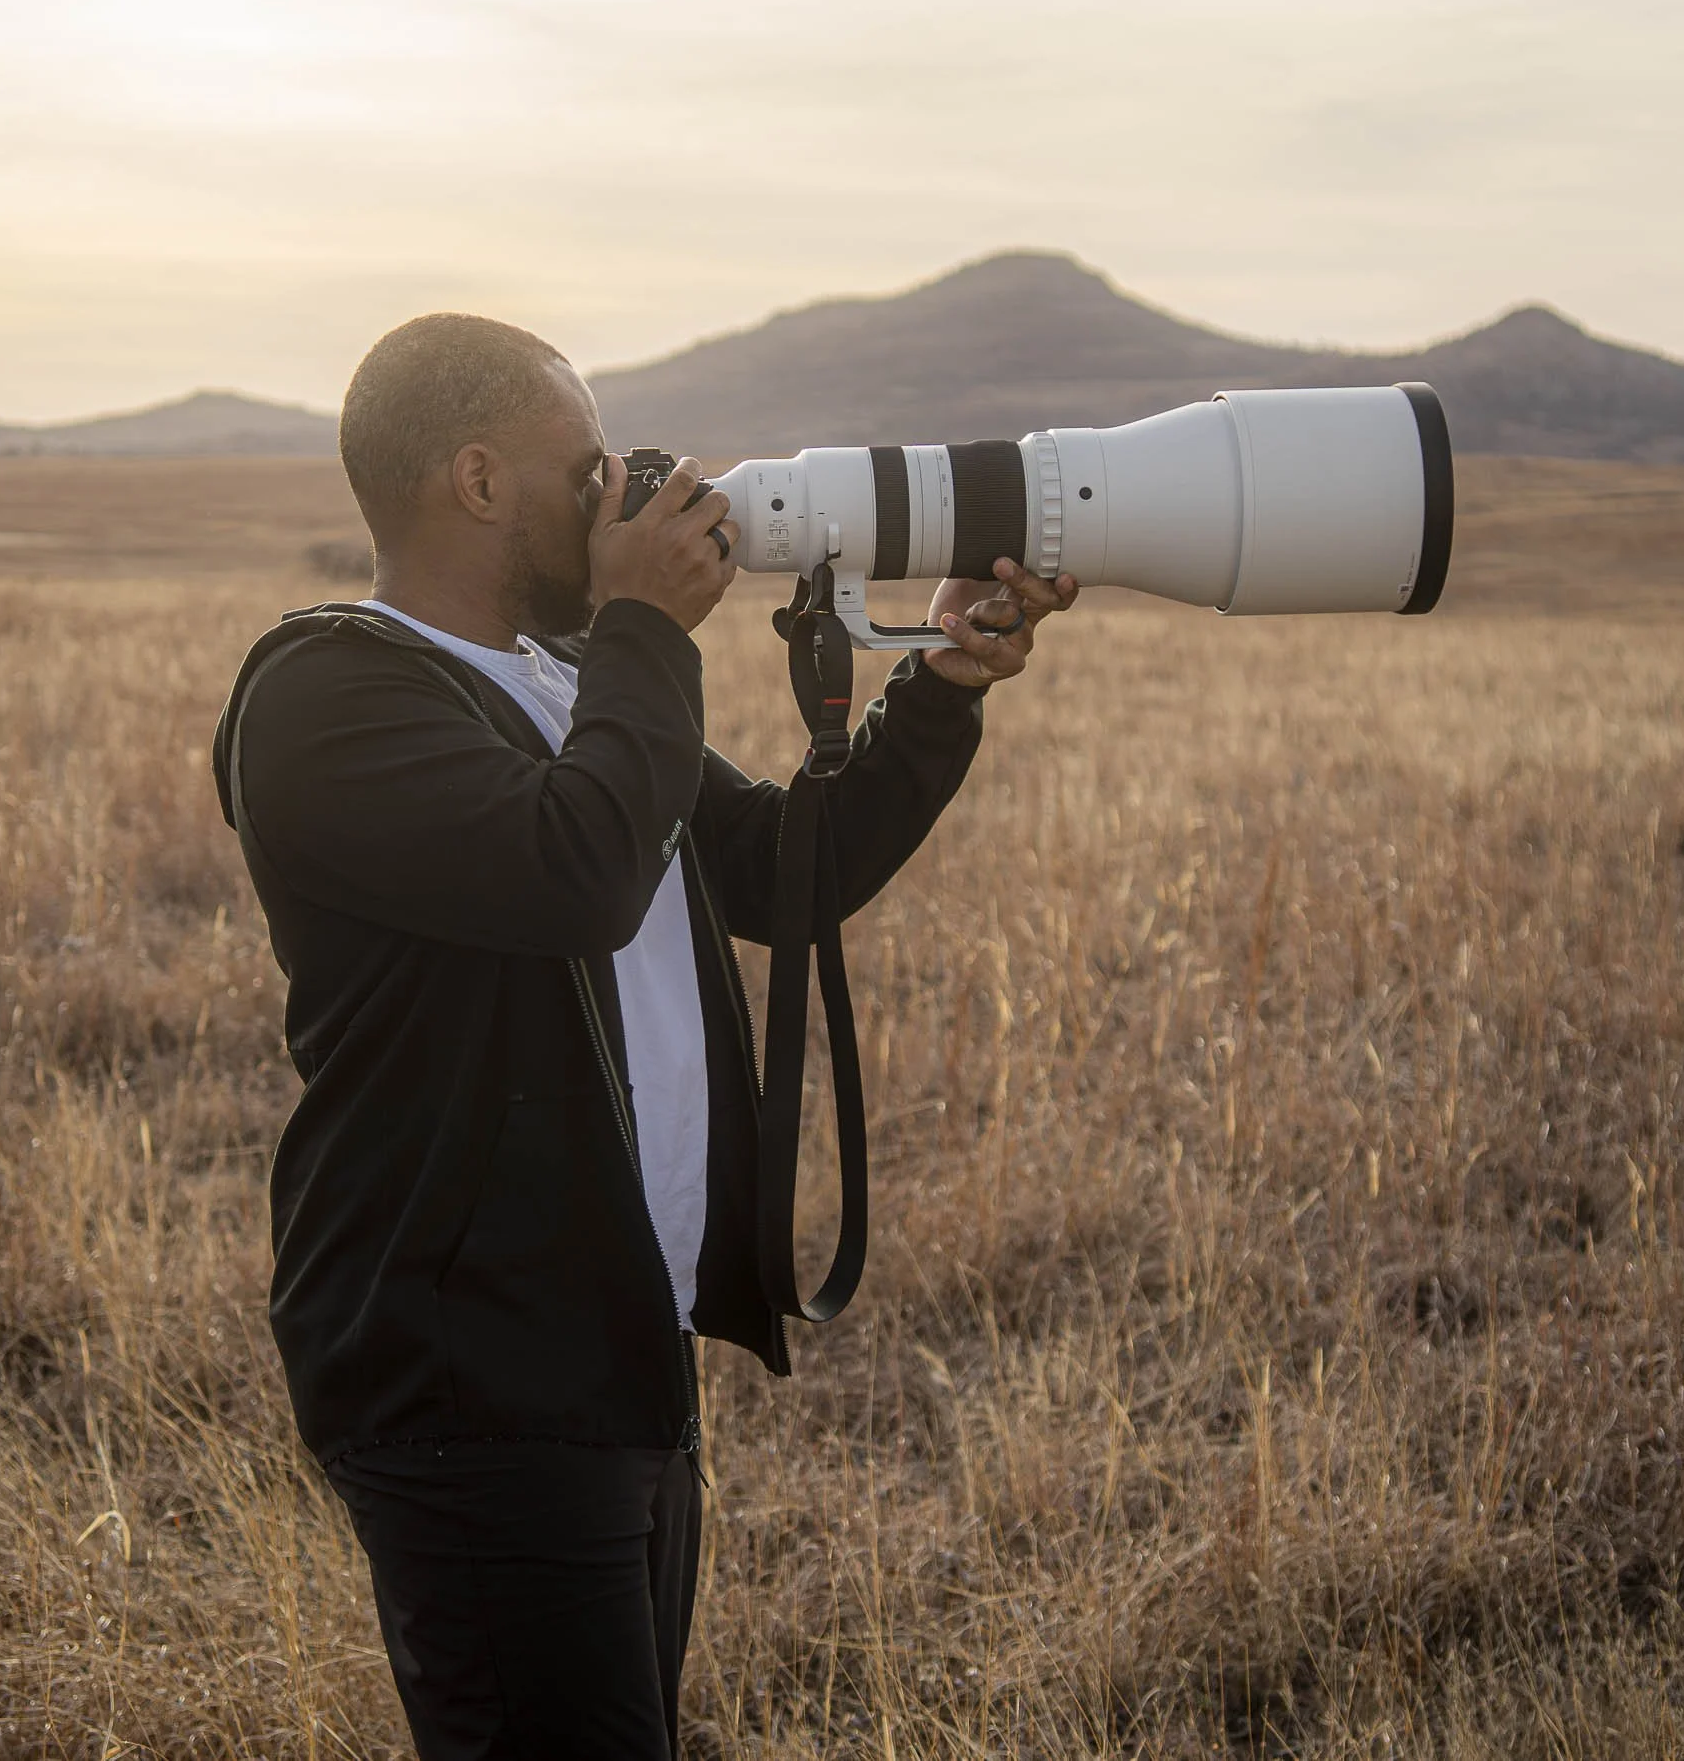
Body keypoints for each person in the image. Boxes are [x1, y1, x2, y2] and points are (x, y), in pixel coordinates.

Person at [211, 313, 1076, 1759]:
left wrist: (942, 685)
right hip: (472, 1377)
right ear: (479, 482)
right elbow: (577, 870)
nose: (619, 494)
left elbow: (786, 869)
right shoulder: (326, 694)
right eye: (587, 465)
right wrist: (639, 631)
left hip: (616, 1351)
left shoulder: (561, 682)